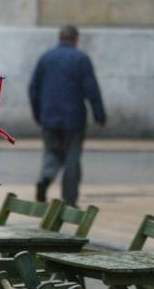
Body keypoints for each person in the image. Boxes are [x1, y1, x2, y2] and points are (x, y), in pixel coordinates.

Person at [27, 24, 106, 205]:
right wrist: (99, 116)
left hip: (49, 117)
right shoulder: (81, 59)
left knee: (52, 151)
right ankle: (69, 199)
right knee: (72, 157)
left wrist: (38, 113)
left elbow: (33, 88)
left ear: (60, 38)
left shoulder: (46, 58)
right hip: (74, 118)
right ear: (76, 40)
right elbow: (91, 90)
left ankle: (45, 179)